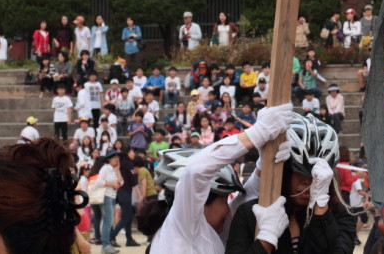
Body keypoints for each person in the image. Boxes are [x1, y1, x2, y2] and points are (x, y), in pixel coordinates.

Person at [139, 103, 291, 254]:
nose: (228, 208)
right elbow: (196, 171)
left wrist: (264, 163)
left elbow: (244, 199)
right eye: (225, 200)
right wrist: (257, 133)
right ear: (200, 200)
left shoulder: (209, 232)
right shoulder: (182, 226)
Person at [226, 112, 355, 254]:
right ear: (285, 170)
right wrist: (266, 239)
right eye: (300, 171)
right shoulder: (252, 213)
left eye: (316, 173)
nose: (308, 181)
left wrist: (321, 210)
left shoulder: (340, 214)